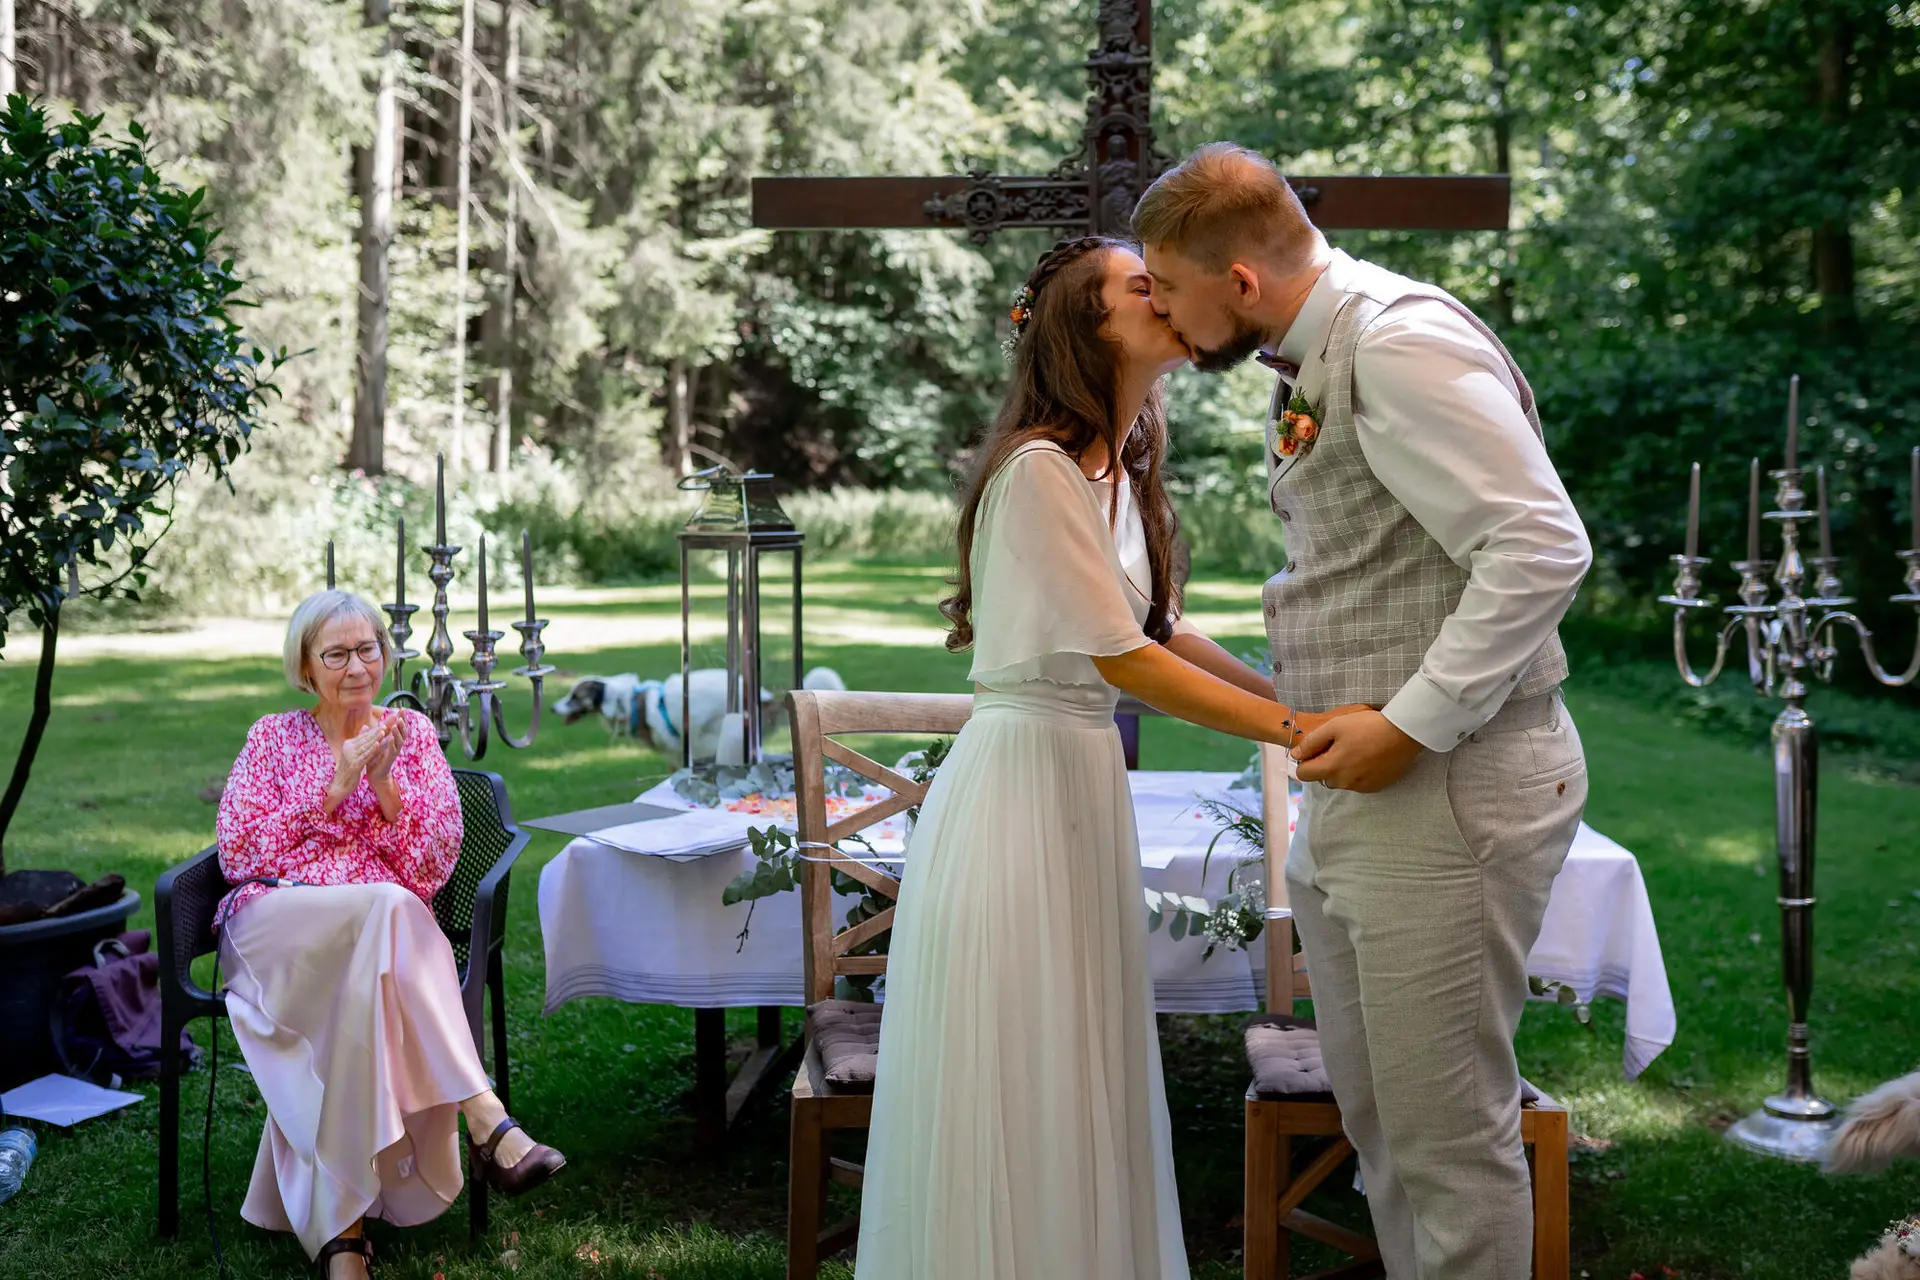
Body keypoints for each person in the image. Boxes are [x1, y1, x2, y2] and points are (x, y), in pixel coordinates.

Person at [854, 235, 1364, 1279]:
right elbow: (1125, 659)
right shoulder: (1038, 471)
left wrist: (1298, 698)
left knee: (1081, 1056)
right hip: (1017, 792)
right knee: (1021, 1065)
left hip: (1080, 784)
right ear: (1091, 329)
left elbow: (1163, 627)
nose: (1166, 294)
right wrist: (1299, 738)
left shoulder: (1118, 472)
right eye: (1142, 286)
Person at [1133, 143, 1594, 1279]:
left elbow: (1540, 545)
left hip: (1448, 785)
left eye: (1171, 287)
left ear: (1241, 279)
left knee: (1448, 1139)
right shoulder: (1319, 348)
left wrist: (1413, 721)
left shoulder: (1396, 342)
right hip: (1369, 792)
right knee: (1382, 1125)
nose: (1162, 311)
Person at [214, 590, 565, 1279]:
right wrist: (334, 786)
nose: (356, 667)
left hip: (375, 946)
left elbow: (431, 868)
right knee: (389, 906)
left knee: (387, 923)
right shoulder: (271, 738)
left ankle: (343, 1236)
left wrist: (383, 788)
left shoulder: (414, 739)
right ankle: (485, 1116)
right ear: (305, 667)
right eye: (335, 654)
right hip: (276, 927)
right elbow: (240, 853)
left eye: (367, 649)